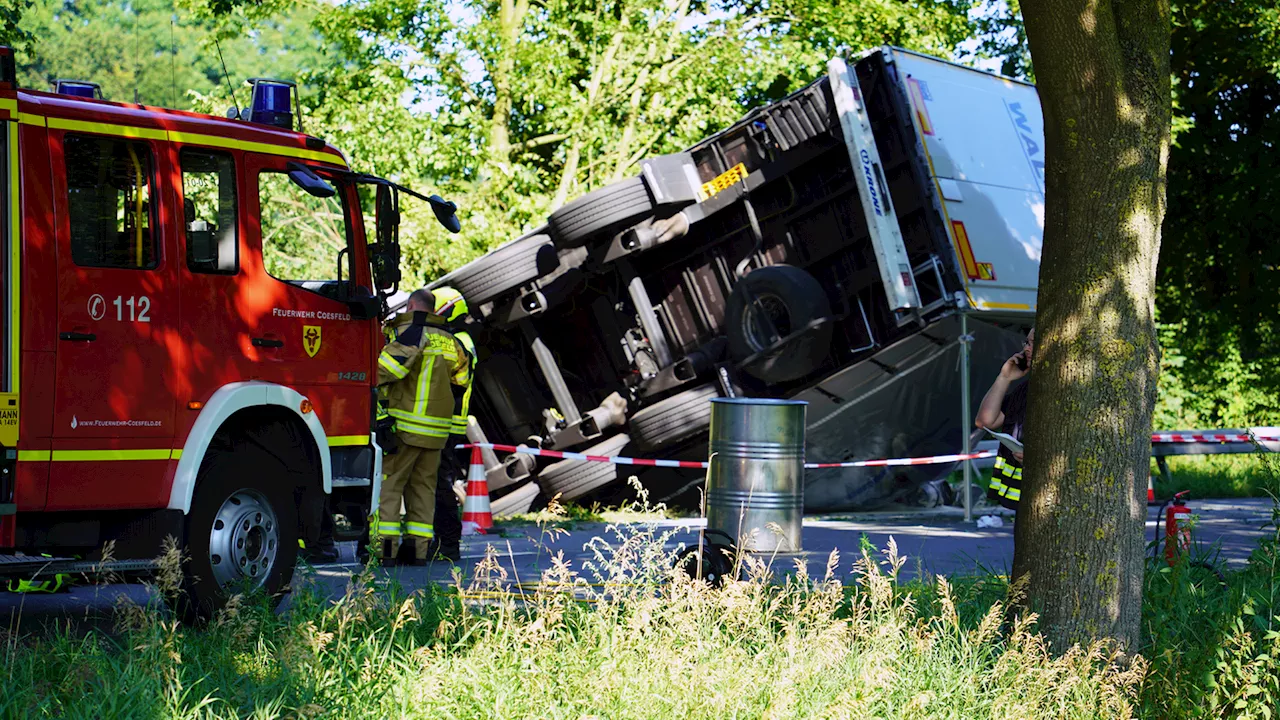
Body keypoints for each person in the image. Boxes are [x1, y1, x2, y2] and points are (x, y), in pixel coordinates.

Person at [373, 289, 469, 565]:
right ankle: (417, 552)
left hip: (405, 428)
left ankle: (385, 552)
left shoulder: (413, 334)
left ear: (413, 306)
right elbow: (462, 379)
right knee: (423, 491)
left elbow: (388, 370)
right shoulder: (452, 341)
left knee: (389, 488)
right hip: (437, 432)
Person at [424, 286, 475, 563]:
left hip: (444, 425)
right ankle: (442, 541)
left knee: (439, 485)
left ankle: (448, 544)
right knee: (434, 484)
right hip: (446, 424)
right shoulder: (459, 339)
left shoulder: (458, 343)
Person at [975, 326, 1034, 511]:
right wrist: (1004, 377)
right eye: (1027, 342)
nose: (1027, 349)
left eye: (1034, 343)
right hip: (1020, 500)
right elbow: (985, 421)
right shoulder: (1024, 389)